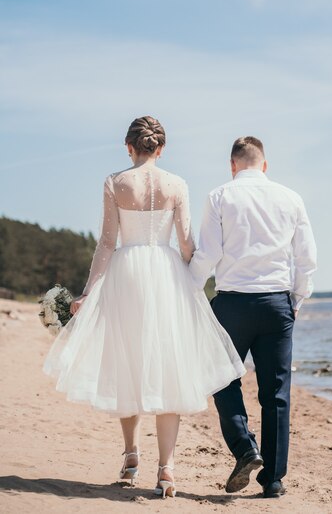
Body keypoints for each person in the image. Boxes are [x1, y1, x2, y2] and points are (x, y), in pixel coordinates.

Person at [43, 116, 245, 498]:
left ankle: (131, 454)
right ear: (161, 148)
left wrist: (88, 292)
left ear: (129, 146)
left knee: (128, 361)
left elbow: (106, 242)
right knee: (169, 367)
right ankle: (166, 469)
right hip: (166, 273)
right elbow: (186, 243)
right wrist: (191, 281)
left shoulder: (115, 182)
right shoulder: (177, 184)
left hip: (127, 274)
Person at [189, 136, 317, 499]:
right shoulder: (291, 198)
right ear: (265, 164)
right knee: (276, 394)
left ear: (232, 166)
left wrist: (189, 288)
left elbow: (209, 253)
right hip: (277, 303)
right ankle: (273, 480)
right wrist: (296, 299)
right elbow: (306, 257)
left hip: (232, 304)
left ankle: (246, 448)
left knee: (220, 375)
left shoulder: (219, 196)